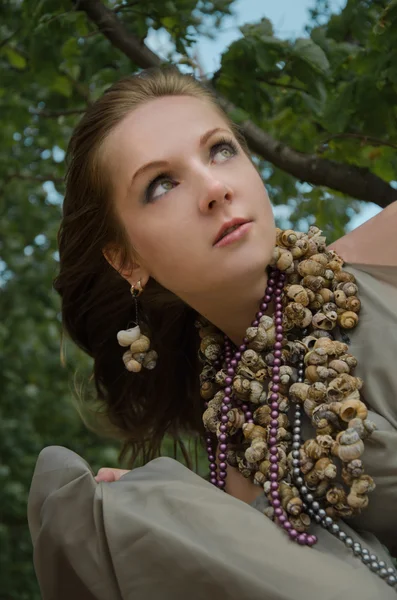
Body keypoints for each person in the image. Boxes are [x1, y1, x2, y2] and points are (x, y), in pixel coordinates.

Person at [28, 67, 397, 599]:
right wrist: (177, 516)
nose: (214, 189)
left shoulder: (384, 254)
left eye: (220, 150)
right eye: (161, 184)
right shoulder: (239, 447)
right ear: (127, 260)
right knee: (109, 510)